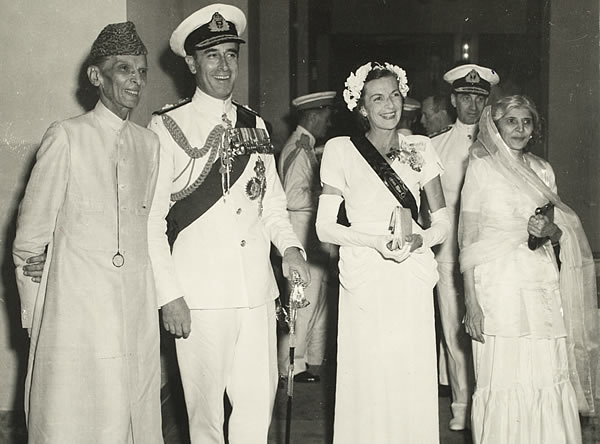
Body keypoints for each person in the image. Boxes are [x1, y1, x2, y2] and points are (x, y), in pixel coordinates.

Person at [146, 4, 309, 443]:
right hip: (199, 298)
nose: (224, 65)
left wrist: (291, 249)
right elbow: (153, 223)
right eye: (212, 55)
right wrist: (169, 296)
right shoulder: (166, 127)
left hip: (256, 293)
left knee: (258, 409)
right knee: (205, 421)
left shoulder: (254, 125)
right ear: (191, 62)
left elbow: (272, 204)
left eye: (231, 55)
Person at [12, 22, 163, 443]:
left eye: (141, 70)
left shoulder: (148, 145)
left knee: (130, 414)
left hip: (132, 308)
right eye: (123, 69)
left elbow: (142, 226)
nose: (135, 79)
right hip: (75, 316)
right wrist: (37, 314)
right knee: (75, 421)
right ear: (97, 77)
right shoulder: (67, 136)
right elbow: (29, 239)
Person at [316, 61, 450, 443]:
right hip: (366, 276)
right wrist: (374, 242)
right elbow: (324, 227)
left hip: (410, 273)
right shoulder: (341, 150)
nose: (389, 105)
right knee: (368, 376)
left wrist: (420, 239)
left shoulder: (420, 147)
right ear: (361, 107)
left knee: (409, 371)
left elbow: (441, 221)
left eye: (394, 95)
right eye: (377, 98)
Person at [460, 95, 598, 443]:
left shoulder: (543, 170)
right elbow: (468, 243)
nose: (520, 129)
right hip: (497, 286)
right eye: (512, 122)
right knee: (504, 375)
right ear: (495, 124)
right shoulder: (481, 167)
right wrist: (471, 304)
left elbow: (556, 232)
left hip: (540, 284)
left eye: (527, 122)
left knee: (546, 370)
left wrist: (548, 230)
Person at [431, 63, 499, 431]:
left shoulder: (498, 145)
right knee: (453, 329)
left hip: (489, 254)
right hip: (450, 255)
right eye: (466, 97)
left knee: (489, 330)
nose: (473, 104)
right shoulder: (436, 145)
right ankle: (460, 403)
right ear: (454, 100)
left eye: (480, 97)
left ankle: (488, 403)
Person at [277, 91, 336, 383]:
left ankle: (311, 361)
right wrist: (325, 195)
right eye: (325, 118)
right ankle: (292, 366)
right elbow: (292, 196)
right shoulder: (299, 150)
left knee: (317, 302)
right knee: (302, 304)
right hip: (299, 232)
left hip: (310, 234)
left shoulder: (309, 148)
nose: (327, 124)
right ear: (312, 117)